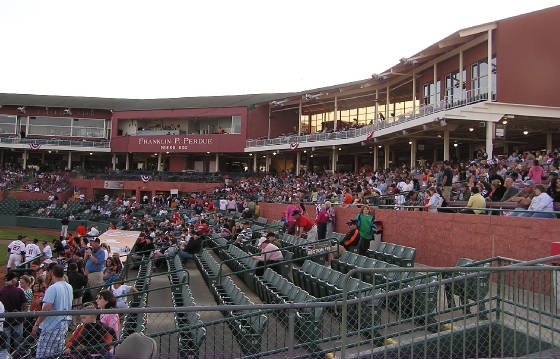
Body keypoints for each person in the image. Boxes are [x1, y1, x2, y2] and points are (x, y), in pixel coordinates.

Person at [33, 264, 73, 359]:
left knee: (42, 354)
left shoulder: (53, 287)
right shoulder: (69, 286)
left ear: (52, 273)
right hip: (64, 324)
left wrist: (37, 323)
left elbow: (47, 308)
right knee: (56, 354)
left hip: (52, 325)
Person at [0, 272, 27, 352]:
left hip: (5, 320)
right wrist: (22, 313)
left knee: (6, 342)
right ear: (13, 280)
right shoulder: (19, 291)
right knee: (18, 342)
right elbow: (24, 305)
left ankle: (6, 356)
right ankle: (18, 356)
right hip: (18, 319)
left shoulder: (1, 291)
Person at [67, 262, 88, 329]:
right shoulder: (79, 275)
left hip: (72, 295)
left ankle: (74, 324)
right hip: (79, 294)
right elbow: (85, 282)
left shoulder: (68, 276)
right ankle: (77, 324)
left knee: (73, 309)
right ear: (76, 268)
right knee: (78, 308)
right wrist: (85, 275)